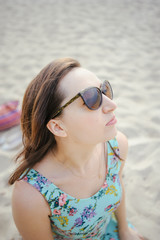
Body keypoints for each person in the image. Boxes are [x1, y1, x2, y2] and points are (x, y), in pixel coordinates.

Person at [9, 58, 145, 240]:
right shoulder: (31, 195)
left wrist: (124, 230)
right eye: (91, 99)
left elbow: (117, 183)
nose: (112, 105)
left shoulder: (116, 147)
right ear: (58, 127)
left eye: (104, 90)